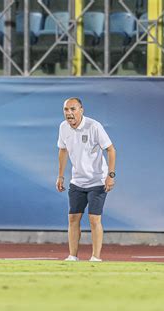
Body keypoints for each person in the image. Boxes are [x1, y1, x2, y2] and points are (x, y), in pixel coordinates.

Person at [56, 97, 116, 262]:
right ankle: (72, 256)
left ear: (81, 110)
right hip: (77, 181)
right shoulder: (63, 127)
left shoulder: (94, 126)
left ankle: (95, 257)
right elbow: (62, 150)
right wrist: (60, 175)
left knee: (94, 219)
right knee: (73, 218)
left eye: (73, 109)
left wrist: (110, 175)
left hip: (97, 181)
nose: (69, 113)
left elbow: (111, 150)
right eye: (66, 110)